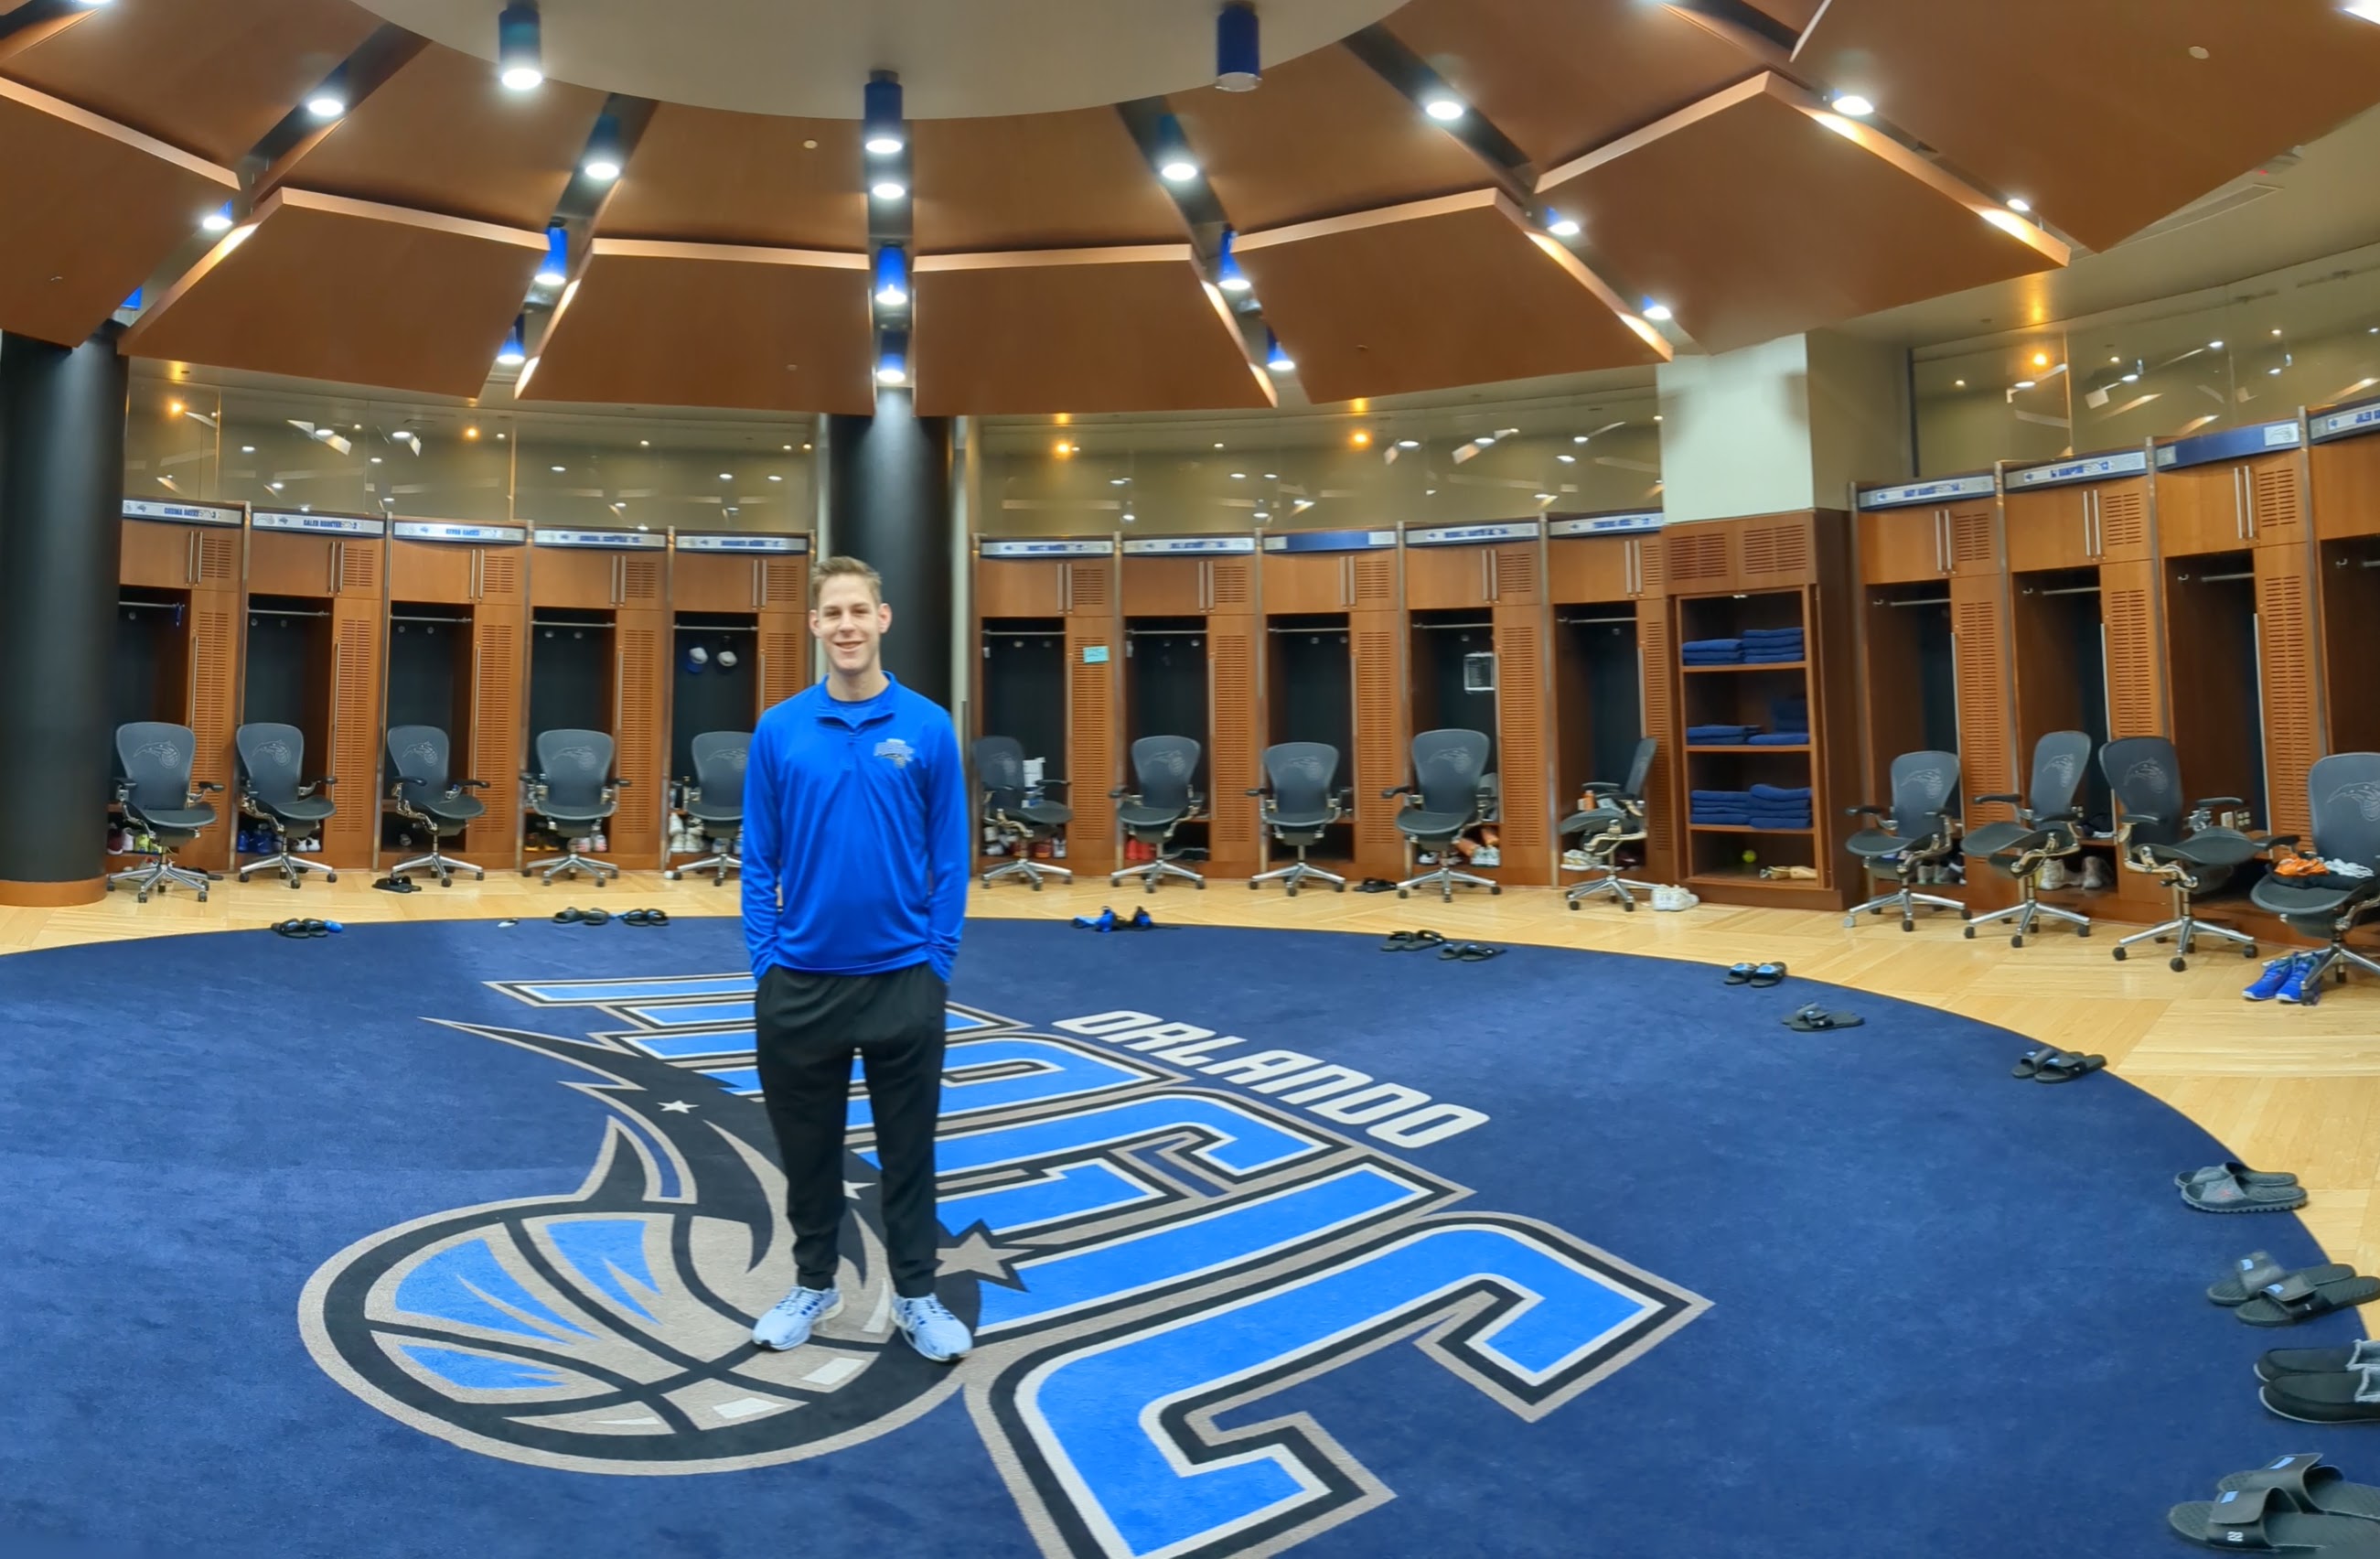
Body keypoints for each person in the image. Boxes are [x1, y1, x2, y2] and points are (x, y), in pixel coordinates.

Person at [741, 555, 972, 1362]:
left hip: (903, 978)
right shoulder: (779, 729)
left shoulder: (927, 727)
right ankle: (815, 1283)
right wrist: (765, 963)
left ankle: (915, 1295)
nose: (846, 626)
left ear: (883, 619)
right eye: (832, 613)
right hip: (799, 983)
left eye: (858, 611)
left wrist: (936, 963)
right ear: (815, 626)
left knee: (909, 1154)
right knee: (808, 1155)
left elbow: (952, 858)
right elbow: (758, 858)